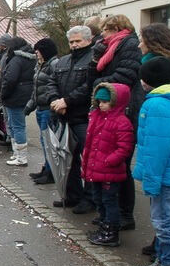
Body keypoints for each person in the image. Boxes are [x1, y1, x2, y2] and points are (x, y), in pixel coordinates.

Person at [90, 14, 145, 227]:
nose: (102, 34)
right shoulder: (110, 47)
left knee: (120, 167)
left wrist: (99, 84)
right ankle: (108, 214)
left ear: (116, 28)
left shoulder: (128, 45)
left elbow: (125, 76)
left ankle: (124, 214)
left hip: (124, 110)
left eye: (105, 30)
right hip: (110, 109)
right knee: (108, 169)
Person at [133, 56, 170, 266]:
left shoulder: (157, 104)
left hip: (165, 177)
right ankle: (163, 261)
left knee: (165, 223)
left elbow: (157, 148)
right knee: (164, 222)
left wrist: (150, 180)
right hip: (167, 175)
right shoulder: (164, 101)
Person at [45, 26, 95, 210]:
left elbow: (89, 86)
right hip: (63, 116)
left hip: (83, 117)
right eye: (71, 42)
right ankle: (73, 195)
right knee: (67, 158)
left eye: (78, 41)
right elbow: (51, 82)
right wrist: (54, 100)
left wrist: (67, 101)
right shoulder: (63, 61)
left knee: (88, 159)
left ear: (88, 40)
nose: (74, 45)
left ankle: (90, 199)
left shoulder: (93, 60)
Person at [82, 83, 134, 247]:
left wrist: (109, 161)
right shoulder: (96, 117)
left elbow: (124, 148)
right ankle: (104, 226)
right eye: (99, 102)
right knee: (99, 199)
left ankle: (111, 232)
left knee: (109, 200)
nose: (101, 105)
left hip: (110, 170)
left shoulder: (122, 122)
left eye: (105, 102)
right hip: (96, 168)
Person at [25, 39, 60, 184]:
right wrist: (30, 106)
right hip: (40, 108)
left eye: (38, 50)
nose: (36, 53)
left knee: (48, 142)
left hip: (48, 109)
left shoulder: (54, 64)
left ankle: (51, 172)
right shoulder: (40, 65)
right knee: (44, 141)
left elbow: (53, 87)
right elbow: (36, 89)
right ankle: (47, 169)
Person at [0, 37, 37, 167]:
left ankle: (20, 157)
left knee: (16, 126)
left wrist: (3, 94)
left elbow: (10, 79)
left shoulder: (16, 60)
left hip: (14, 96)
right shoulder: (30, 59)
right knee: (16, 125)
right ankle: (18, 154)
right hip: (25, 94)